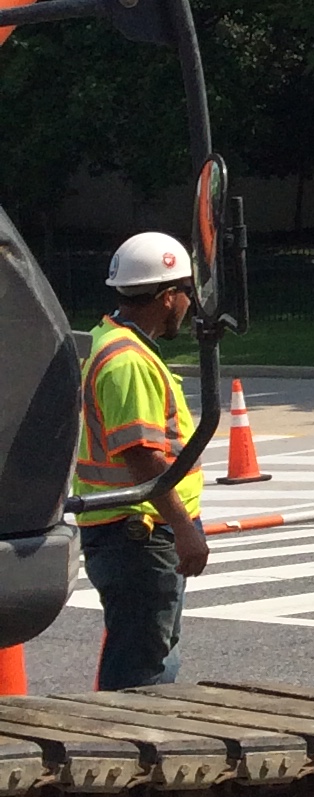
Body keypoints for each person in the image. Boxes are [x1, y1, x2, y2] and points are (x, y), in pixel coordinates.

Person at [77, 230, 211, 690]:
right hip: (138, 531)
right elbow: (143, 457)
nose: (191, 304)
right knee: (143, 670)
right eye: (187, 293)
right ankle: (131, 753)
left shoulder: (109, 341)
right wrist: (185, 530)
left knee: (146, 654)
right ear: (169, 296)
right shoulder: (127, 360)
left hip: (131, 529)